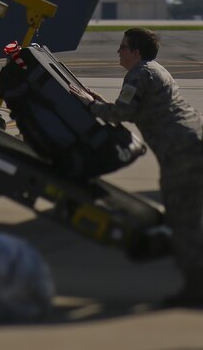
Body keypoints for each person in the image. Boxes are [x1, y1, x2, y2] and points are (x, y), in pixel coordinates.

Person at [70, 27, 203, 307]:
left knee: (183, 220)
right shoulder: (154, 69)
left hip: (180, 154)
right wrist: (99, 102)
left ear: (135, 52)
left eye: (122, 46)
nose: (118, 51)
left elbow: (121, 114)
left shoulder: (138, 74)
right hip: (192, 143)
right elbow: (132, 109)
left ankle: (195, 288)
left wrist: (88, 105)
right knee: (192, 215)